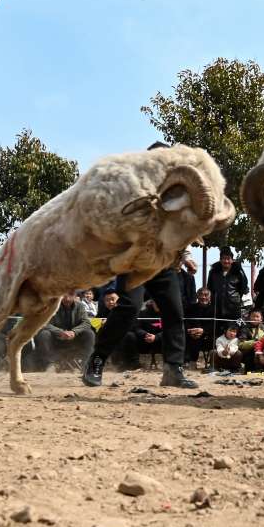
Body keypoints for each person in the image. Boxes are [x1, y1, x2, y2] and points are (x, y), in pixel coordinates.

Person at [83, 140, 200, 390]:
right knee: (129, 307)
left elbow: (181, 226)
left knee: (174, 312)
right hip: (135, 261)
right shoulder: (132, 187)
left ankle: (173, 369)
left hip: (163, 262)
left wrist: (187, 254)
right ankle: (97, 359)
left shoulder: (176, 192)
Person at [32, 291, 96, 371]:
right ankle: (49, 364)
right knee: (44, 334)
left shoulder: (80, 306)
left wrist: (74, 332)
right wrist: (60, 332)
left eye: (71, 294)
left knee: (89, 333)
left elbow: (86, 322)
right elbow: (44, 323)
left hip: (74, 337)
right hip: (55, 337)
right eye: (64, 294)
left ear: (75, 295)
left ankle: (86, 364)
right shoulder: (51, 306)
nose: (67, 297)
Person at [206, 247, 248, 325]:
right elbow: (210, 287)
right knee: (217, 329)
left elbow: (244, 288)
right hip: (217, 306)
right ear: (220, 260)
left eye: (228, 259)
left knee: (233, 329)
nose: (226, 261)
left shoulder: (238, 272)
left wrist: (236, 298)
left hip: (233, 307)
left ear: (232, 260)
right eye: (224, 259)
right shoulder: (213, 272)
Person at [184, 287, 216, 368]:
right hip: (192, 334)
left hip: (209, 335)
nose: (203, 297)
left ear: (209, 297)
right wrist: (190, 331)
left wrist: (203, 330)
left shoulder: (214, 309)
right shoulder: (190, 308)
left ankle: (213, 363)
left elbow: (215, 324)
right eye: (201, 295)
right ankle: (190, 362)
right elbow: (186, 321)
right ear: (197, 296)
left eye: (206, 295)